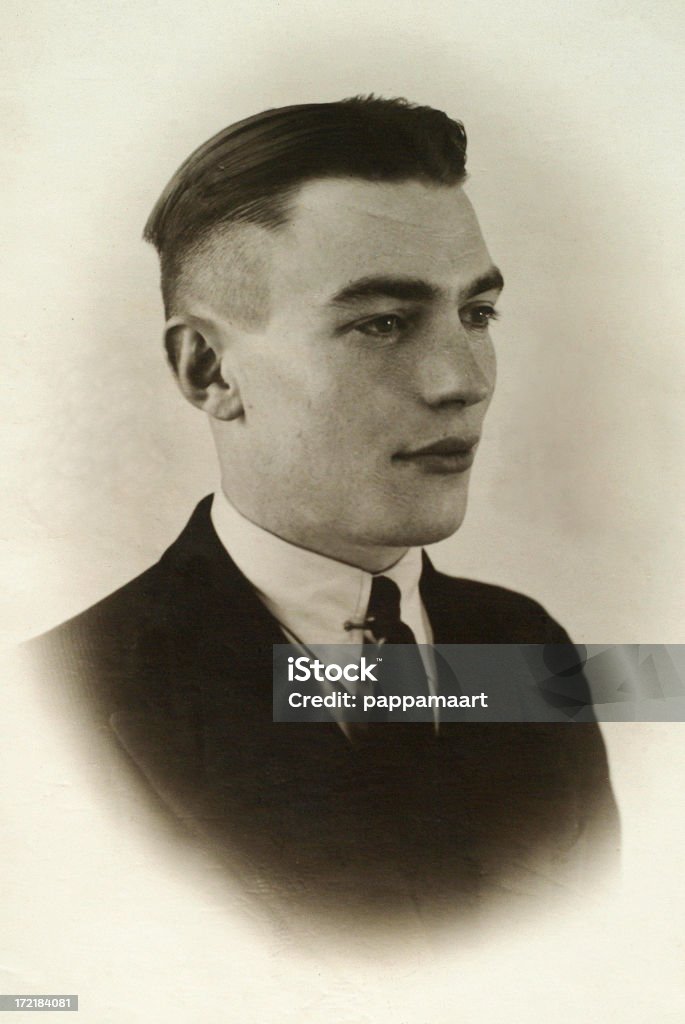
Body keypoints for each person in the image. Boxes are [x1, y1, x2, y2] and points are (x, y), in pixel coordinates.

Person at [29, 96, 619, 926]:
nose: (464, 380)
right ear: (209, 371)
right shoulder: (56, 698)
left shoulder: (522, 644)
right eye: (380, 323)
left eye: (475, 314)